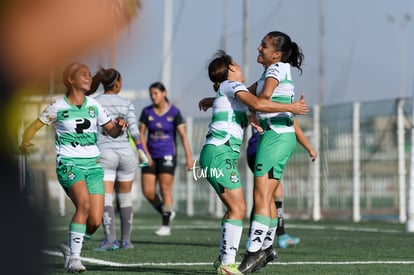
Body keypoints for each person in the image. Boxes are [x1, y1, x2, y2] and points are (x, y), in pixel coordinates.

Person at [198, 50, 309, 275]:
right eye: (236, 64)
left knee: (236, 208)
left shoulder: (228, 90)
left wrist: (245, 117)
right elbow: (258, 103)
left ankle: (225, 258)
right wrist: (291, 107)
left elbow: (245, 106)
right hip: (219, 154)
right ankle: (228, 265)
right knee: (238, 208)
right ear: (230, 69)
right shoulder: (232, 86)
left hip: (220, 155)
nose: (240, 67)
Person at [19, 62, 128, 272]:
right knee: (84, 205)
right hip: (69, 164)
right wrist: (24, 141)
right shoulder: (58, 106)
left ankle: (69, 246)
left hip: (94, 166)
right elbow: (33, 126)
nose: (88, 78)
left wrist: (120, 128)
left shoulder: (94, 106)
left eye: (89, 75)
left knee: (96, 221)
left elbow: (112, 132)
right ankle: (74, 259)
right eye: (83, 75)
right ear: (70, 79)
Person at [238, 31, 307, 273]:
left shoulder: (276, 69)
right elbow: (245, 94)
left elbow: (261, 98)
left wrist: (288, 107)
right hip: (276, 136)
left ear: (276, 54)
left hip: (275, 137)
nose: (259, 48)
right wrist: (217, 98)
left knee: (260, 197)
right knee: (265, 197)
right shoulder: (271, 71)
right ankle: (265, 249)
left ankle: (254, 253)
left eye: (264, 45)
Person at [88, 67, 148, 251]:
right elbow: (135, 131)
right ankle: (126, 241)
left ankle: (110, 240)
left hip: (105, 153)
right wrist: (142, 152)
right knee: (125, 198)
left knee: (106, 198)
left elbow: (91, 129)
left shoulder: (94, 102)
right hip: (127, 154)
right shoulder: (126, 102)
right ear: (118, 83)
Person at [246, 125, 317, 250]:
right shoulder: (277, 106)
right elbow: (294, 125)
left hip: (258, 148)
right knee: (266, 194)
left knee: (273, 192)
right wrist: (309, 148)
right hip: (266, 148)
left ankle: (278, 235)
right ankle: (258, 238)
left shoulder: (259, 105)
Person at [139, 82, 194, 236]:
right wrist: (145, 154)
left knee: (165, 189)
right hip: (150, 156)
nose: (153, 97)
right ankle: (168, 211)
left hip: (168, 154)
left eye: (156, 93)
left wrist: (189, 158)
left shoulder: (174, 112)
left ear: (164, 93)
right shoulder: (146, 112)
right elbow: (141, 135)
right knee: (148, 192)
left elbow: (183, 136)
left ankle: (165, 225)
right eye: (151, 94)